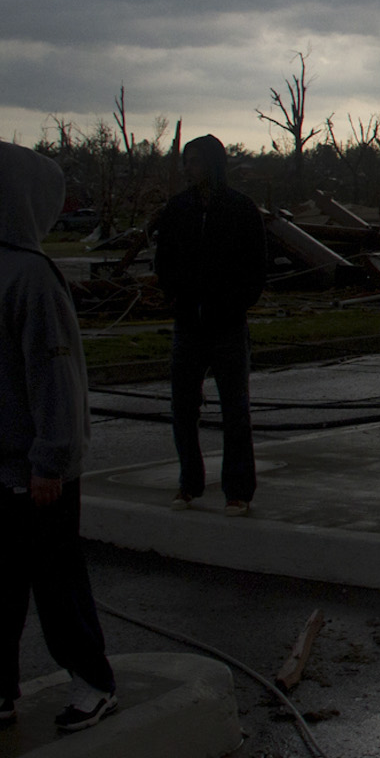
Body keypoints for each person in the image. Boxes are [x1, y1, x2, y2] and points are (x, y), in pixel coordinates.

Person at [0, 140, 116, 734]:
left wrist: (51, 461)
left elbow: (56, 375)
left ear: (6, 195)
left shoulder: (34, 276)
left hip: (32, 474)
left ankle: (92, 681)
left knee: (56, 583)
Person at [152, 136, 267, 515]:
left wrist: (235, 303)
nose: (189, 168)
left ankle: (238, 491)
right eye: (186, 161)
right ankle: (189, 484)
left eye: (196, 162)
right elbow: (164, 258)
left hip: (227, 325)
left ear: (213, 164)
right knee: (183, 407)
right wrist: (173, 293)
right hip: (188, 322)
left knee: (235, 410)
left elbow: (256, 266)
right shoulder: (177, 209)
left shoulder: (240, 209)